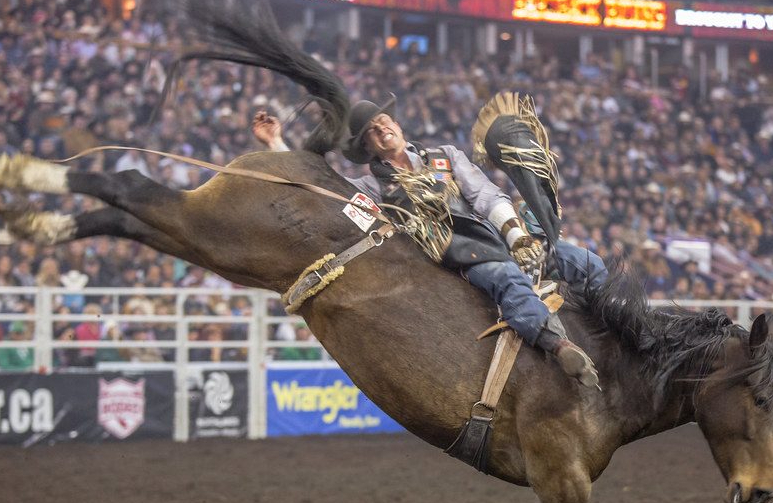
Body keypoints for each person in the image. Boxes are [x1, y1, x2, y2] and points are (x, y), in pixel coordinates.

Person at [253, 100, 604, 386]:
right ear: (367, 147)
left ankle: (614, 325)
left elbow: (483, 195)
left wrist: (517, 236)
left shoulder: (446, 155)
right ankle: (559, 346)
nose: (381, 129)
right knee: (506, 278)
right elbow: (321, 191)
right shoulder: (372, 189)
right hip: (459, 255)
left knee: (584, 262)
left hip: (498, 236)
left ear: (398, 126)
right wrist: (275, 145)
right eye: (372, 131)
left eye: (384, 121)